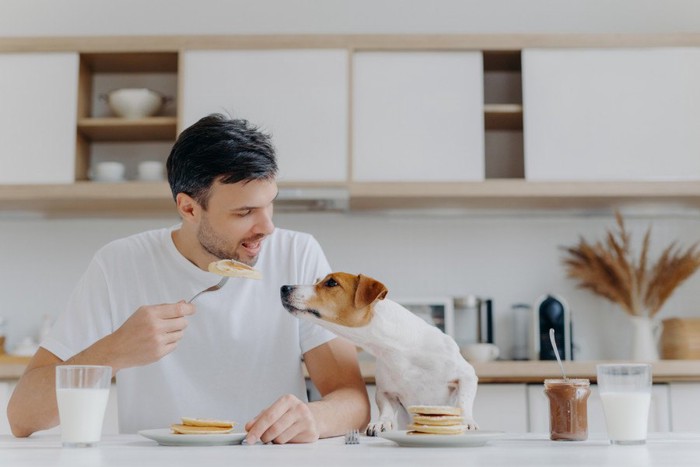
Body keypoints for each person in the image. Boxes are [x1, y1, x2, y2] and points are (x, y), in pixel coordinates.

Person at [7, 114, 370, 444]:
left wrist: (314, 418)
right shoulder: (120, 264)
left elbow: (353, 400)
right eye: (244, 212)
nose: (267, 227)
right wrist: (116, 351)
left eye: (269, 204)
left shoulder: (297, 254)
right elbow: (22, 416)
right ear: (189, 208)